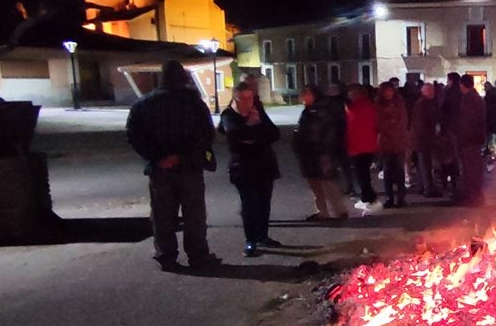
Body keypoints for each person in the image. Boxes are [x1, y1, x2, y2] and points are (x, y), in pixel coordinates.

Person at [126, 60, 220, 272]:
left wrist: (157, 157)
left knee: (162, 214)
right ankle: (198, 255)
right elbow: (206, 135)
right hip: (189, 168)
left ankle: (166, 255)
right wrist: (181, 156)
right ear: (182, 78)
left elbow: (133, 135)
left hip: (160, 170)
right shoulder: (194, 104)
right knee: (194, 214)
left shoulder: (143, 105)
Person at [219, 83, 281, 257]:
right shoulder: (229, 116)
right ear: (235, 98)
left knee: (264, 203)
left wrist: (254, 134)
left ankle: (263, 235)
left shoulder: (258, 111)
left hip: (265, 166)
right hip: (243, 168)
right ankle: (251, 240)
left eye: (250, 98)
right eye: (244, 98)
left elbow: (275, 134)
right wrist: (253, 127)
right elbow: (235, 138)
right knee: (249, 204)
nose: (248, 102)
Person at [294, 85, 349, 221]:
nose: (302, 98)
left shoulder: (321, 111)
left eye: (305, 95)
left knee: (327, 182)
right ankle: (324, 211)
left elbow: (326, 132)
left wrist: (322, 149)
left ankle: (338, 211)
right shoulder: (309, 111)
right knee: (316, 183)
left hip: (320, 152)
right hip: (311, 152)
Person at [346, 84, 381, 212]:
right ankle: (367, 197)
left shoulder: (353, 108)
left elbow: (351, 128)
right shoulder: (370, 107)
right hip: (369, 145)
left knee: (361, 175)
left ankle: (369, 199)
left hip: (357, 146)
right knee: (364, 174)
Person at [454, 74, 487, 206]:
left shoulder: (470, 100)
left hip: (470, 141)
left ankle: (473, 197)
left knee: (471, 170)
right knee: (472, 169)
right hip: (474, 139)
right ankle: (474, 196)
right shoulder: (475, 98)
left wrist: (462, 139)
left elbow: (467, 122)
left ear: (462, 85)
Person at [377, 81, 409, 208]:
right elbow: (378, 122)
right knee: (388, 171)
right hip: (386, 142)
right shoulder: (378, 104)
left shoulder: (399, 103)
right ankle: (389, 197)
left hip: (398, 141)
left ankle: (401, 197)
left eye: (390, 91)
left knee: (400, 170)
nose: (388, 93)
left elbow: (404, 120)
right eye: (386, 91)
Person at [409, 83, 441, 197]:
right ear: (425, 92)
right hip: (422, 140)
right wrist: (431, 137)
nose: (433, 92)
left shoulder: (423, 103)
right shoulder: (423, 104)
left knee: (421, 164)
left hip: (419, 139)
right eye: (430, 90)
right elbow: (422, 124)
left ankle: (421, 186)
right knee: (425, 164)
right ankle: (428, 188)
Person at [324, 83, 356, 196]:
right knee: (345, 165)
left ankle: (336, 188)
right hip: (343, 137)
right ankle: (349, 186)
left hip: (333, 138)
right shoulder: (345, 103)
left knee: (333, 165)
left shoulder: (327, 105)